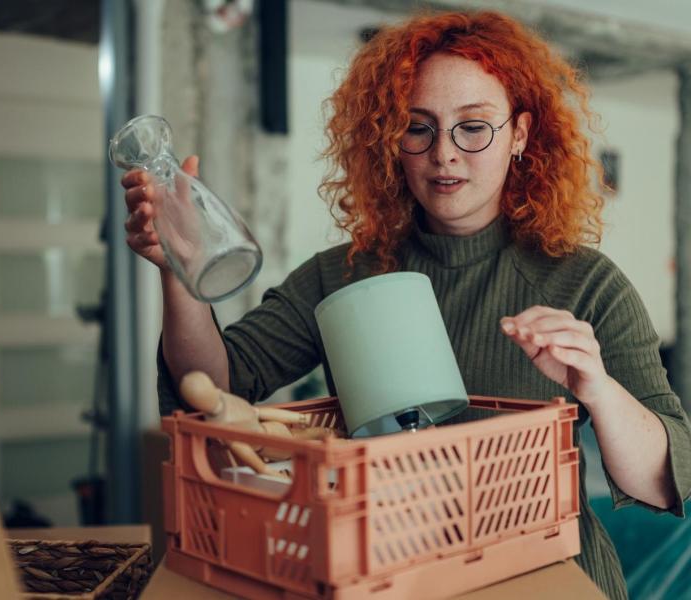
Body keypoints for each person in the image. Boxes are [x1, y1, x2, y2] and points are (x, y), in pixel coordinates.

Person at [120, 10, 691, 599]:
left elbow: (660, 483)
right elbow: (212, 387)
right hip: (396, 580)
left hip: (550, 578)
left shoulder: (587, 283)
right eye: (419, 127)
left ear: (519, 135)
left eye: (473, 127)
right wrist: (179, 272)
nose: (444, 153)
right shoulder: (344, 273)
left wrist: (598, 387)